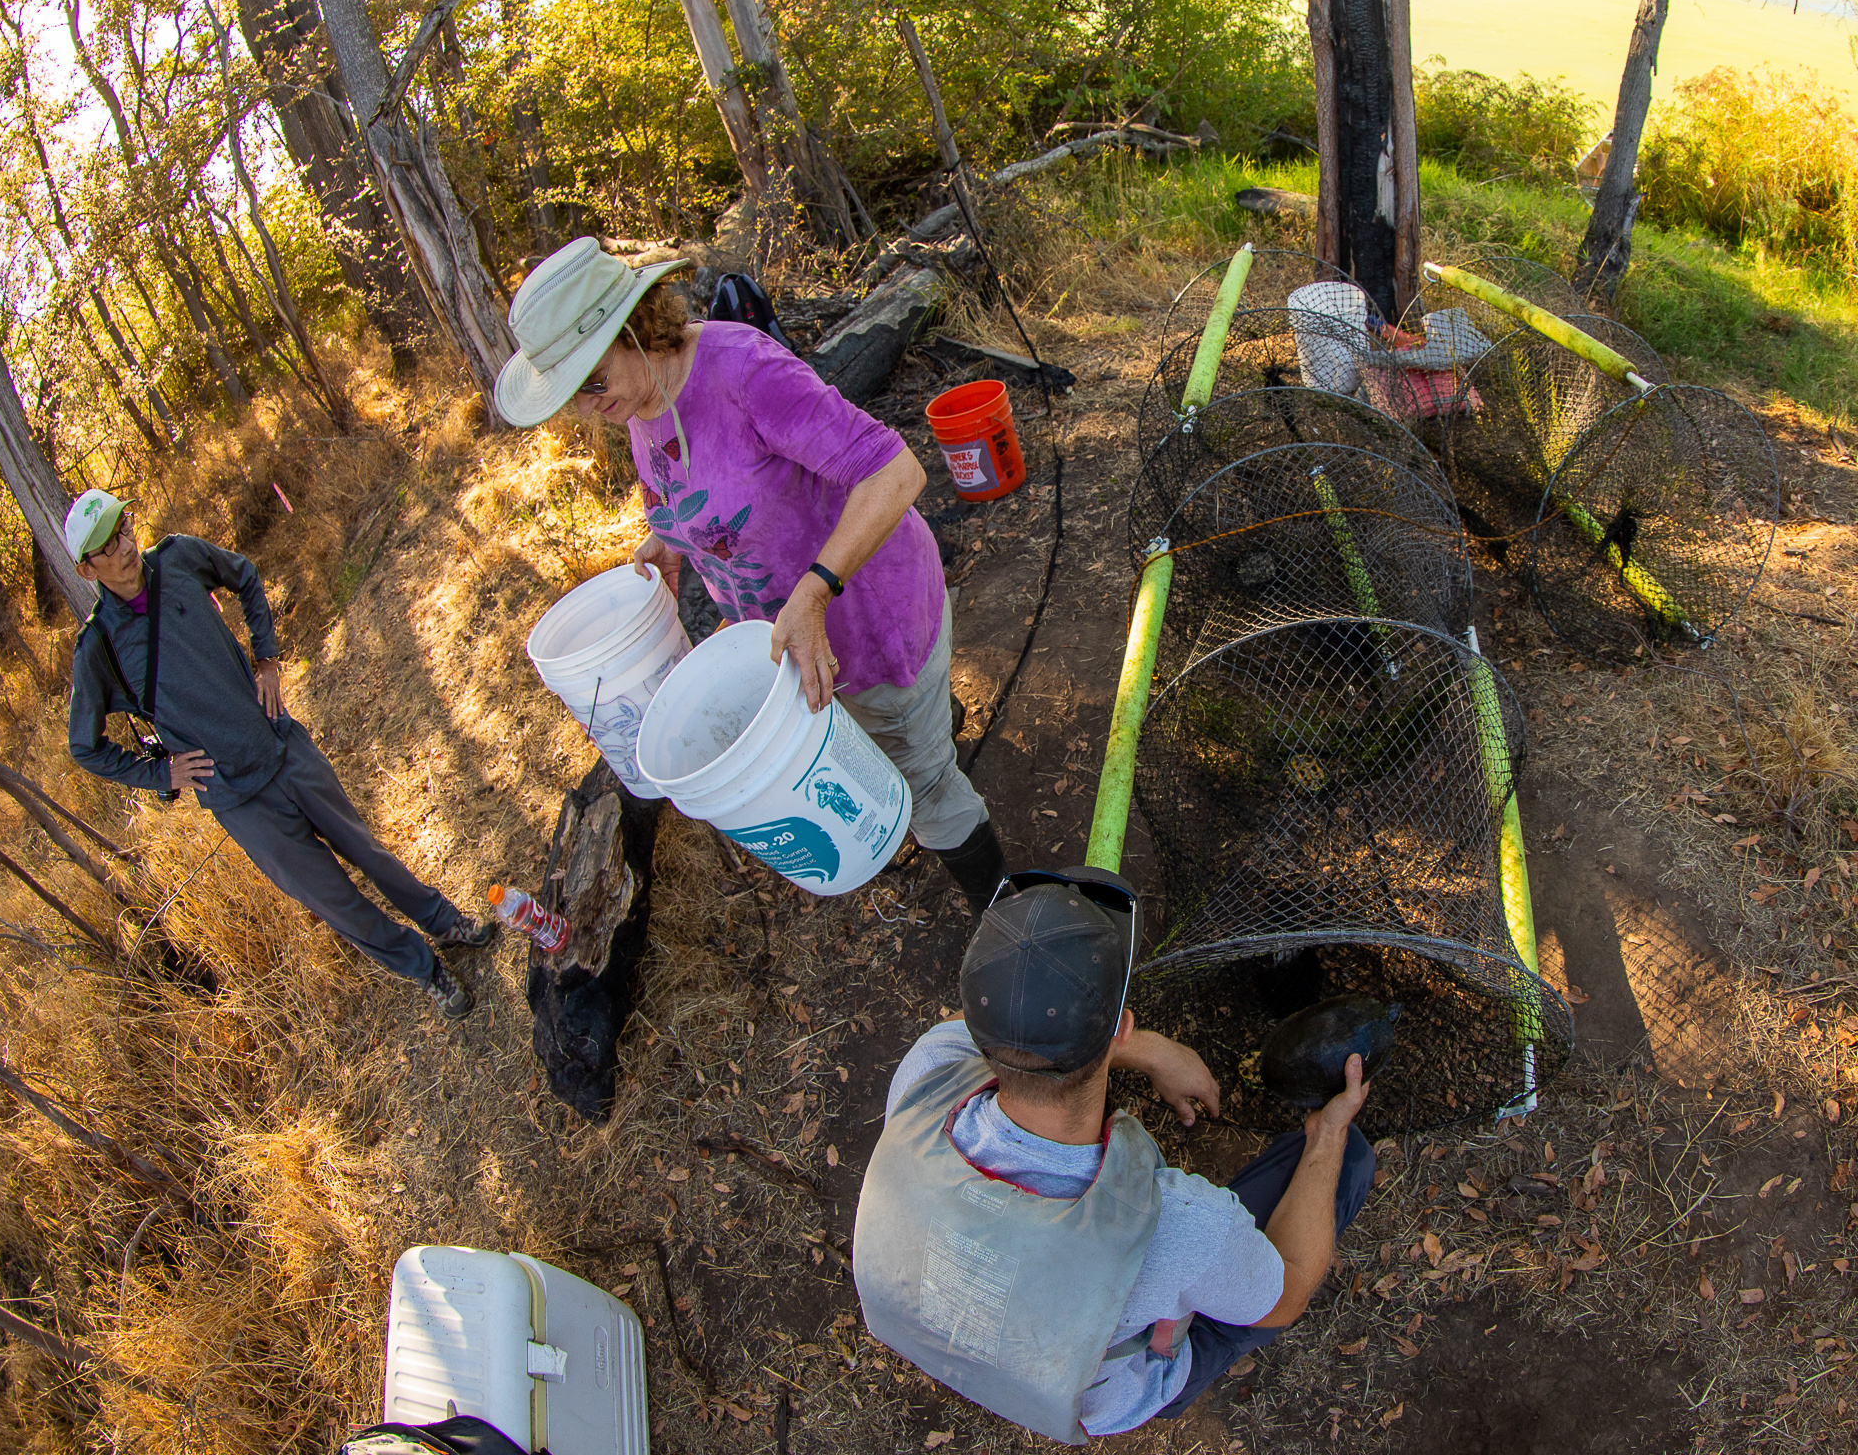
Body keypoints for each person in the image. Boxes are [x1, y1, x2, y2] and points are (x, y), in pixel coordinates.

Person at [493, 237, 1007, 909]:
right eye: (575, 396)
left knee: (928, 783)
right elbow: (716, 479)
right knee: (872, 740)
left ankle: (1006, 912)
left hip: (866, 617)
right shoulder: (638, 396)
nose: (592, 406)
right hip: (797, 640)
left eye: (594, 382)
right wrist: (669, 538)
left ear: (639, 328)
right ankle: (926, 726)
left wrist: (816, 590)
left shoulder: (743, 372)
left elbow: (896, 471)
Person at [852, 867, 1375, 1443]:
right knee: (1349, 1161)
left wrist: (1149, 1053)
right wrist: (1327, 1135)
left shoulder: (925, 1077)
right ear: (1120, 1026)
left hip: (950, 1338)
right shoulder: (1178, 1226)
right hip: (1099, 1399)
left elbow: (961, 1034)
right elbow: (1289, 1293)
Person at [62, 490, 493, 1019]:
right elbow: (85, 747)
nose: (126, 546)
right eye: (107, 545)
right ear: (86, 571)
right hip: (239, 799)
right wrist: (162, 773)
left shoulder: (176, 557)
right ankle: (425, 970)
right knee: (335, 902)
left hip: (281, 744)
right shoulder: (98, 648)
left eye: (123, 527)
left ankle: (445, 921)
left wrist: (267, 656)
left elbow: (243, 574)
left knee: (366, 849)